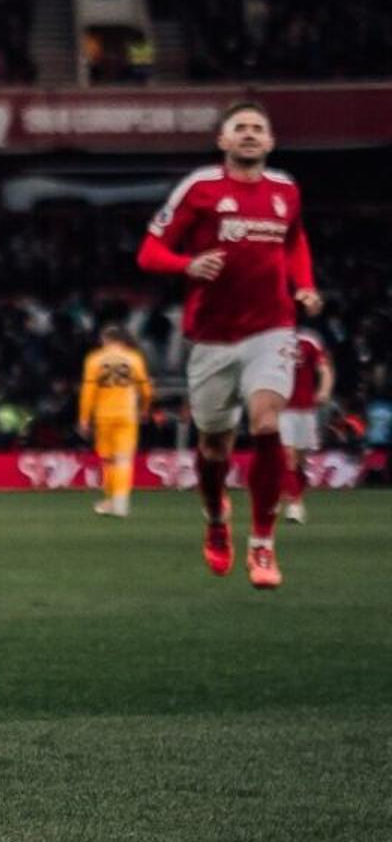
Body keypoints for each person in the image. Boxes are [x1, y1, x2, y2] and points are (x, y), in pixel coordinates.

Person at [137, 102, 319, 588]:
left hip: (272, 328)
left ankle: (262, 544)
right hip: (212, 337)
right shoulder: (201, 188)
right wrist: (187, 266)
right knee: (214, 445)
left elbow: (295, 242)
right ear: (223, 141)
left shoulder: (285, 190)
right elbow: (149, 251)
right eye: (240, 128)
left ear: (271, 141)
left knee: (265, 423)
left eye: (258, 128)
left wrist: (304, 285)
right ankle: (217, 521)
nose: (250, 134)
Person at [76, 326, 152, 519]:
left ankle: (111, 500)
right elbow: (146, 389)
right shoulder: (134, 358)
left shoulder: (94, 359)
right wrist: (144, 409)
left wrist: (84, 417)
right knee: (124, 459)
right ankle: (120, 503)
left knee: (109, 460)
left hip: (104, 415)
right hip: (127, 414)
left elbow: (88, 391)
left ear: (106, 339)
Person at [279, 327, 332, 525]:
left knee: (300, 460)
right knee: (288, 456)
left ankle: (294, 497)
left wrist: (324, 390)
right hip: (283, 408)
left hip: (306, 409)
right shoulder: (272, 339)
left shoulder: (310, 340)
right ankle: (295, 504)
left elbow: (324, 368)